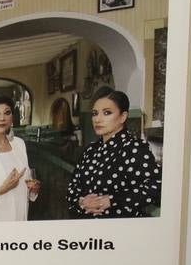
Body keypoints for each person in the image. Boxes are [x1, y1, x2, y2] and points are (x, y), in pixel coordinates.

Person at [67, 88, 162, 217]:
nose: (97, 119)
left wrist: (111, 201)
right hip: (88, 231)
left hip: (123, 228)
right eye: (95, 113)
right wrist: (82, 202)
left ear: (123, 116)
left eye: (107, 113)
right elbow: (72, 190)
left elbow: (155, 188)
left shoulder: (134, 148)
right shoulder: (90, 150)